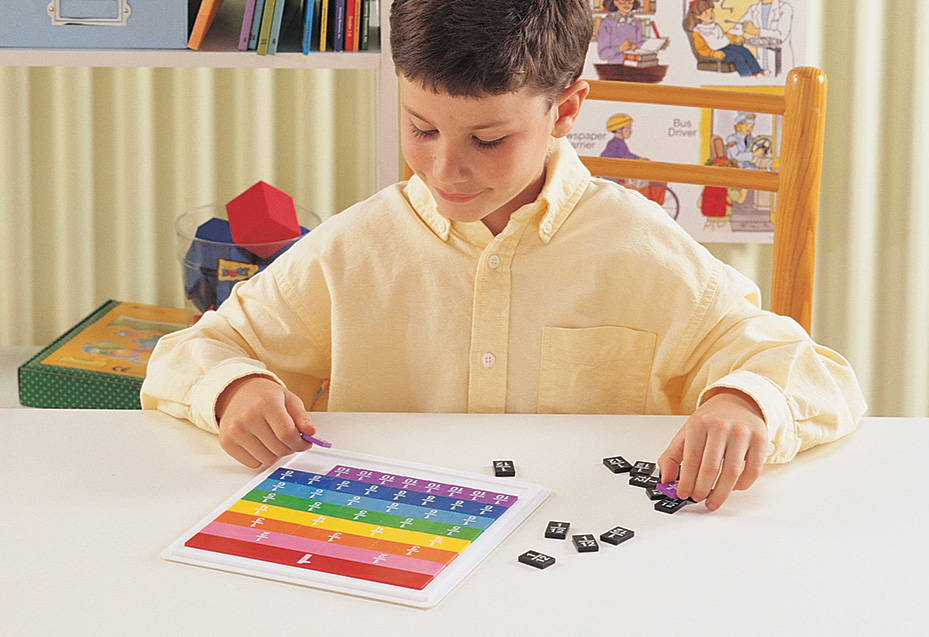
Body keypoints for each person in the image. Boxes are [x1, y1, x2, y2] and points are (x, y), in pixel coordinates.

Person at [141, 0, 866, 512]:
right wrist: (234, 389)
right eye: (420, 127)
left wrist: (745, 400)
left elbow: (817, 375)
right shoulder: (353, 250)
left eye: (487, 140)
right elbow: (194, 351)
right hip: (398, 553)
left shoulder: (642, 250)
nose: (445, 168)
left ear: (567, 110)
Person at [684, 0, 762, 77]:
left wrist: (735, 38)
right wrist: (713, 53)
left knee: (745, 51)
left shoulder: (715, 26)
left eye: (711, 11)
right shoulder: (698, 32)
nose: (710, 15)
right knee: (738, 57)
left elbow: (725, 35)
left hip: (727, 47)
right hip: (716, 52)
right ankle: (747, 76)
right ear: (698, 16)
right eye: (706, 13)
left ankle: (758, 73)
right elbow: (701, 49)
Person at [728, 0, 794, 77]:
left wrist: (757, 31)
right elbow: (739, 27)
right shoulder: (754, 9)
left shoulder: (784, 8)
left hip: (780, 61)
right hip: (761, 64)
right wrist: (726, 35)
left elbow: (781, 35)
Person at [597, 0, 644, 65]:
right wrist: (620, 48)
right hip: (615, 68)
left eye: (630, 1)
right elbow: (602, 55)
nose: (627, 4)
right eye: (623, 1)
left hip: (635, 66)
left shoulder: (636, 23)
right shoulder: (606, 24)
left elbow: (640, 44)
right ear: (615, 2)